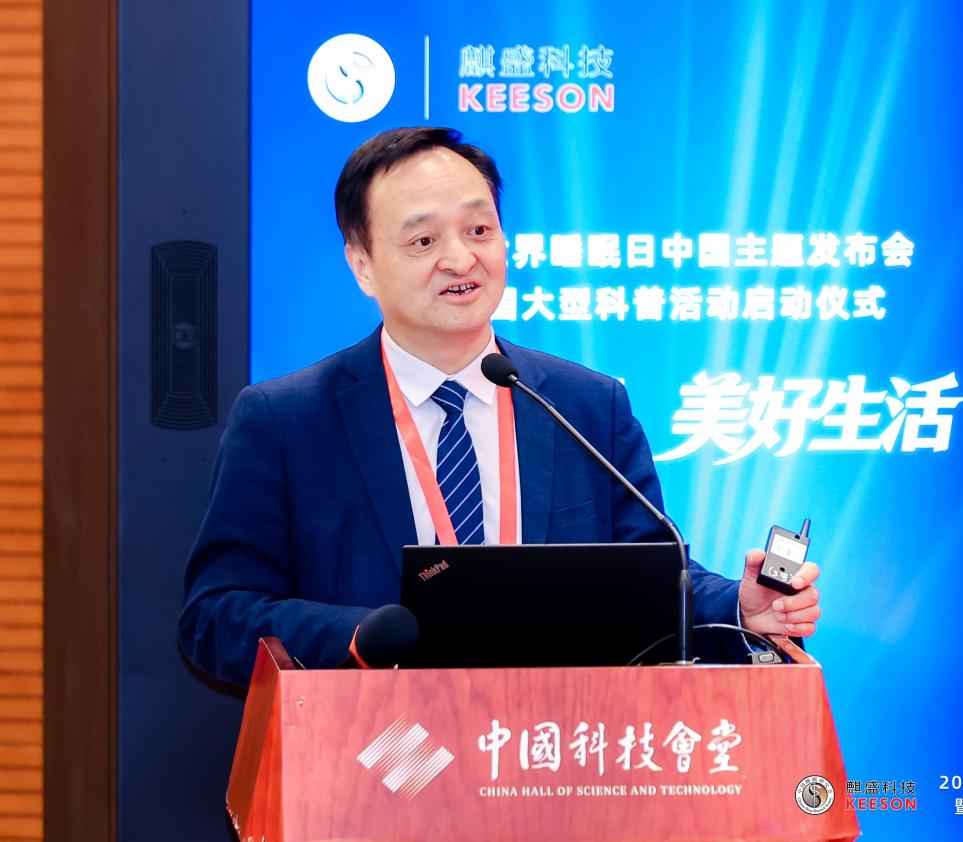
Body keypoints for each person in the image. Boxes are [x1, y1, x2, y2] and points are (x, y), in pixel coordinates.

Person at [178, 127, 821, 687]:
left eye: (479, 229)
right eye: (423, 241)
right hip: (379, 758)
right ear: (362, 264)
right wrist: (365, 636)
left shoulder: (586, 405)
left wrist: (740, 610)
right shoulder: (286, 421)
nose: (461, 259)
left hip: (555, 756)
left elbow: (655, 579)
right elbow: (215, 616)